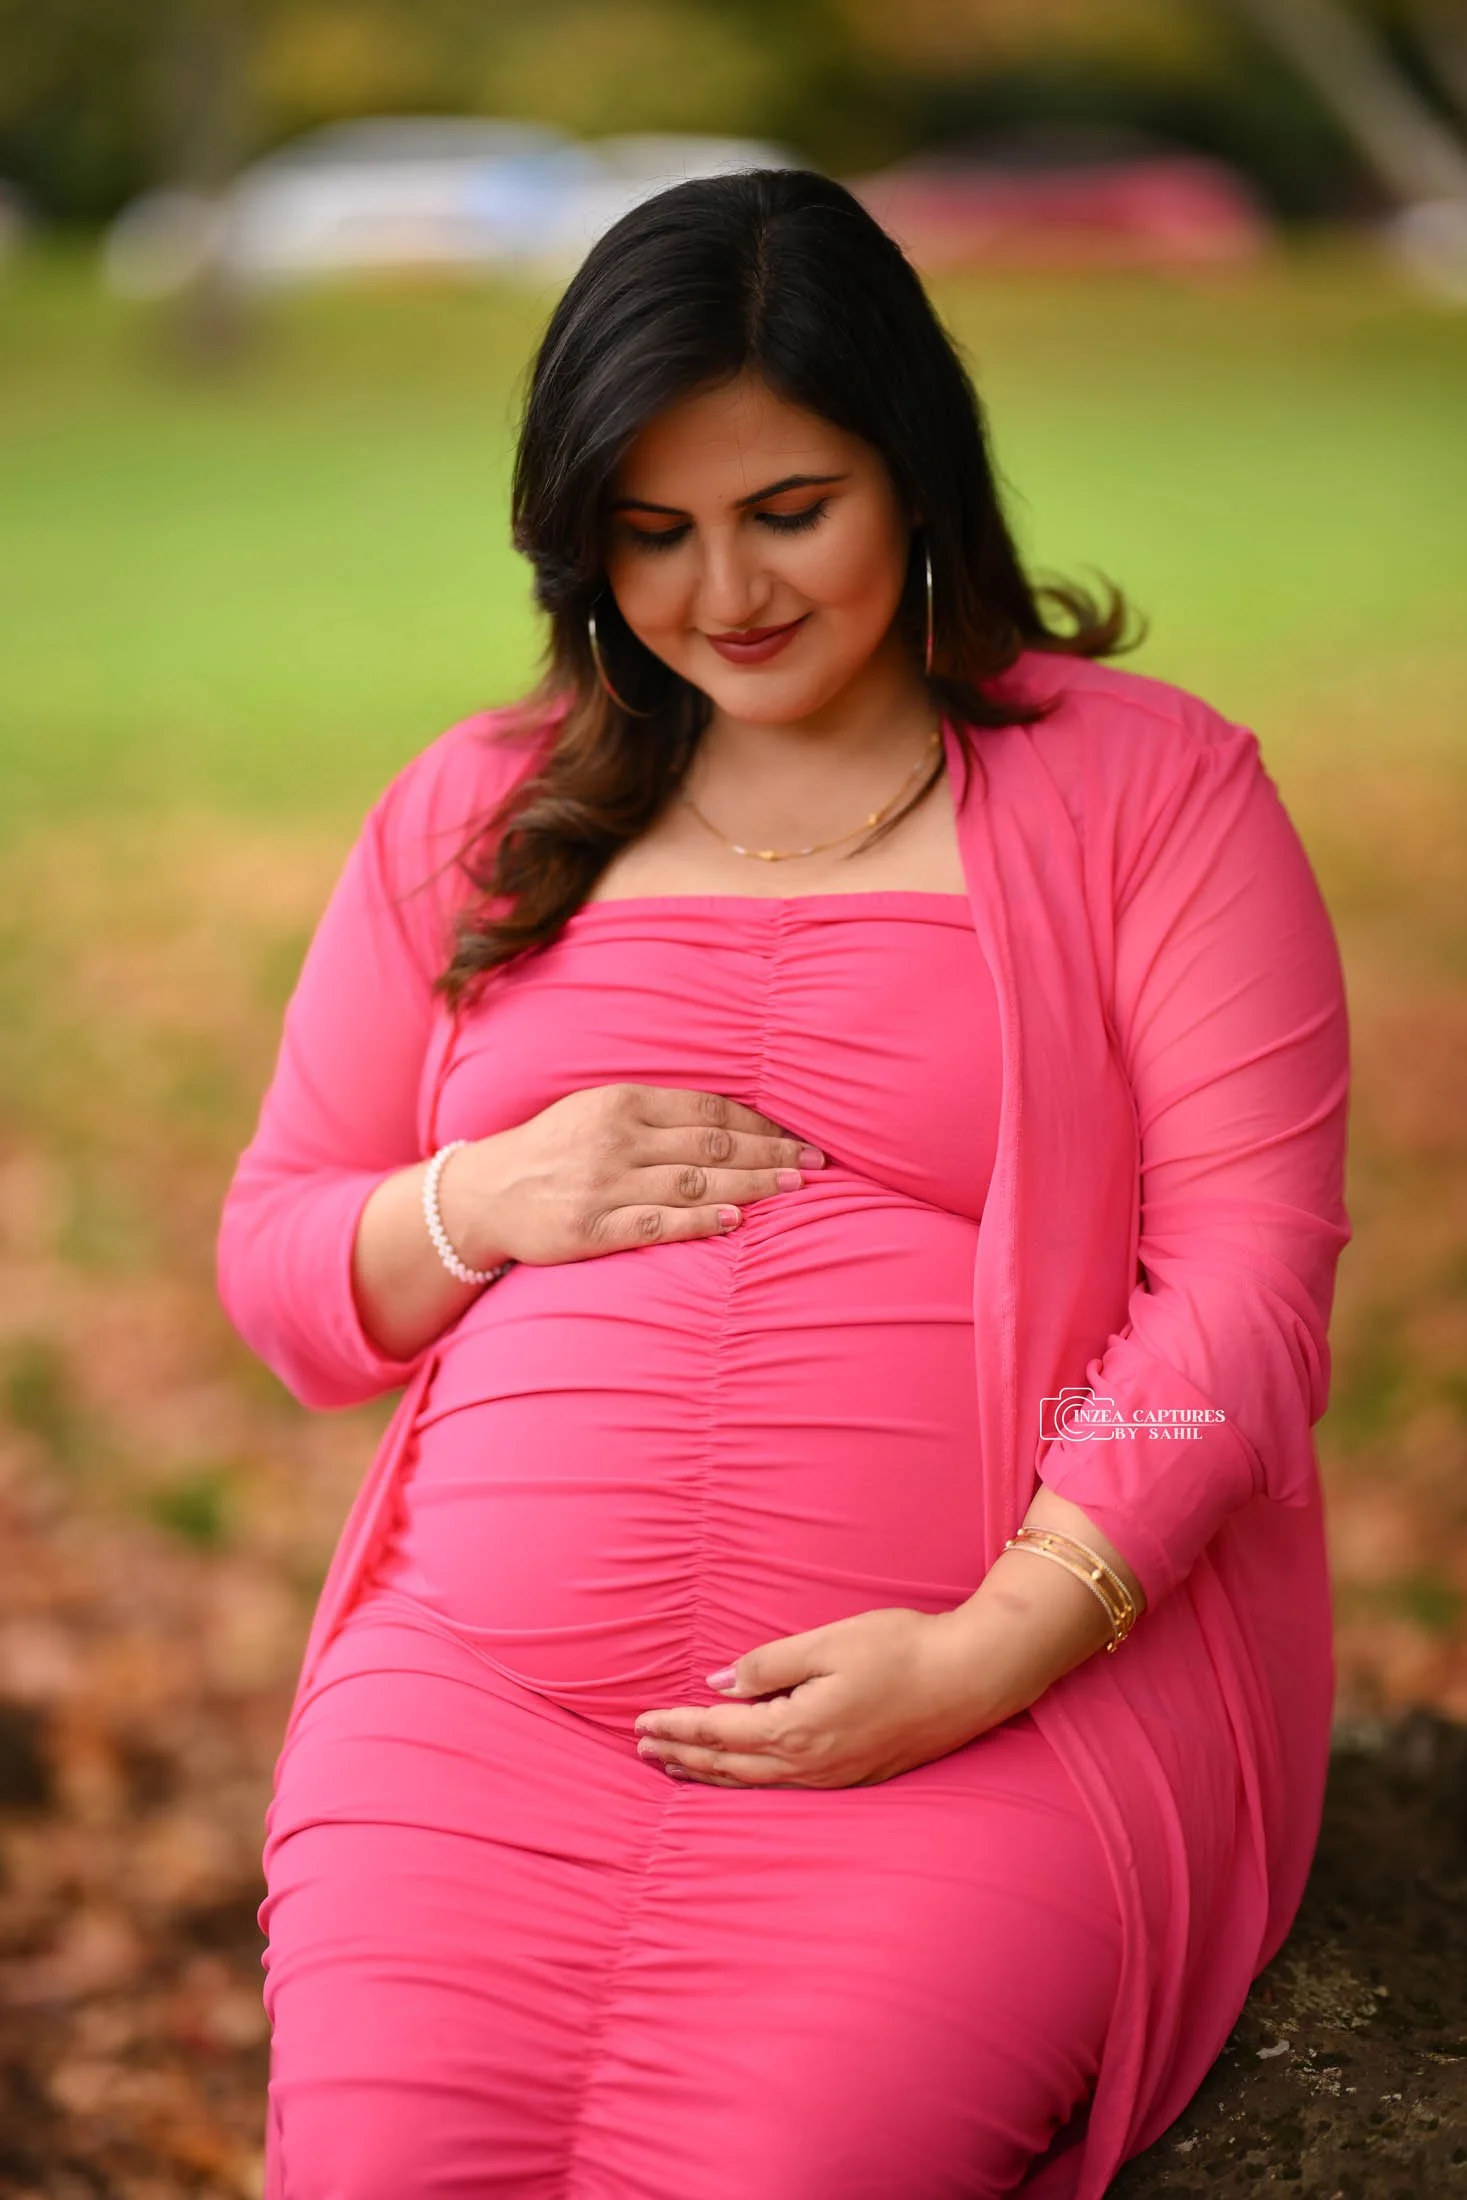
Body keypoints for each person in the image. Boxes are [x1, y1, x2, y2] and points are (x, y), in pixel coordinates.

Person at [216, 168, 1352, 2200]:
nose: (720, 590)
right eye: (648, 533)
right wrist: (476, 1197)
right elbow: (286, 1261)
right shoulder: (482, 807)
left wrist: (1004, 1633)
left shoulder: (1147, 789)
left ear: (914, 475)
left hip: (972, 1720)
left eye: (786, 510)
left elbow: (1246, 1287)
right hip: (473, 1710)